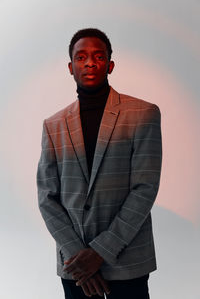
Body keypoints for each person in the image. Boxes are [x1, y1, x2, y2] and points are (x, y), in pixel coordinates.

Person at [37, 28, 162, 299]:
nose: (90, 62)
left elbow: (145, 188)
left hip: (127, 261)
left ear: (110, 64)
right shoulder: (53, 125)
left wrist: (100, 252)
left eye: (98, 56)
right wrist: (78, 256)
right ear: (71, 67)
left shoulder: (143, 114)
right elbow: (47, 198)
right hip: (76, 266)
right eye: (81, 57)